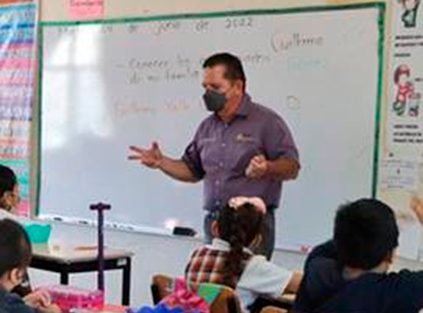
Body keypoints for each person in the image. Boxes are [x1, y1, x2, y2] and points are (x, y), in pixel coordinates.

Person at [128, 52, 300, 259]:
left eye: (216, 88)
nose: (208, 93)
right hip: (215, 223)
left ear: (238, 86)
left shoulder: (267, 122)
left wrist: (267, 168)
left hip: (252, 225)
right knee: (215, 286)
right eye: (205, 87)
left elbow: (292, 167)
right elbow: (192, 171)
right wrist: (161, 162)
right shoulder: (207, 127)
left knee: (247, 286)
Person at [184, 196, 300, 313]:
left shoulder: (197, 254)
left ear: (214, 228)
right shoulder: (252, 265)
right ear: (257, 240)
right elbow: (304, 283)